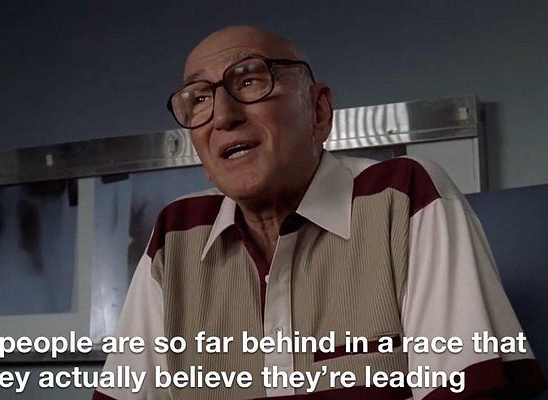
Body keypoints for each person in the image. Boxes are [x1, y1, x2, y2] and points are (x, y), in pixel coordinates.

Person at [92, 26, 546, 399]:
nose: (223, 116)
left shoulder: (404, 194)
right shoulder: (176, 234)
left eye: (249, 81)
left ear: (319, 110)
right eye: (198, 99)